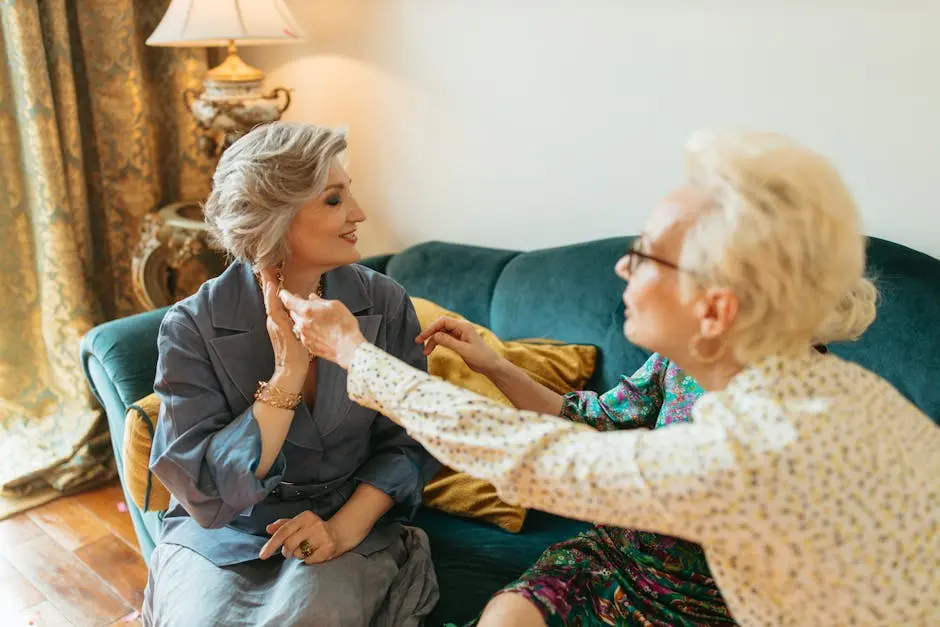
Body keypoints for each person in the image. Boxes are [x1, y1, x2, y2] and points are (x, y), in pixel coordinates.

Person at [279, 130, 939, 626]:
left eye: (645, 254)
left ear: (717, 309)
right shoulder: (824, 397)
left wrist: (354, 352)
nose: (623, 270)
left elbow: (527, 453)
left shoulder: (756, 449)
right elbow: (577, 429)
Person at [402, 275, 873, 627]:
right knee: (507, 617)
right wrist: (494, 366)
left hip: (718, 605)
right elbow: (588, 418)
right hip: (612, 560)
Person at [142, 122, 440, 627]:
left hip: (345, 527)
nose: (359, 213)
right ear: (273, 219)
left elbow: (411, 442)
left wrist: (340, 530)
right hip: (221, 535)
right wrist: (287, 374)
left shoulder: (385, 303)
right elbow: (203, 489)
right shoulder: (191, 326)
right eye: (333, 199)